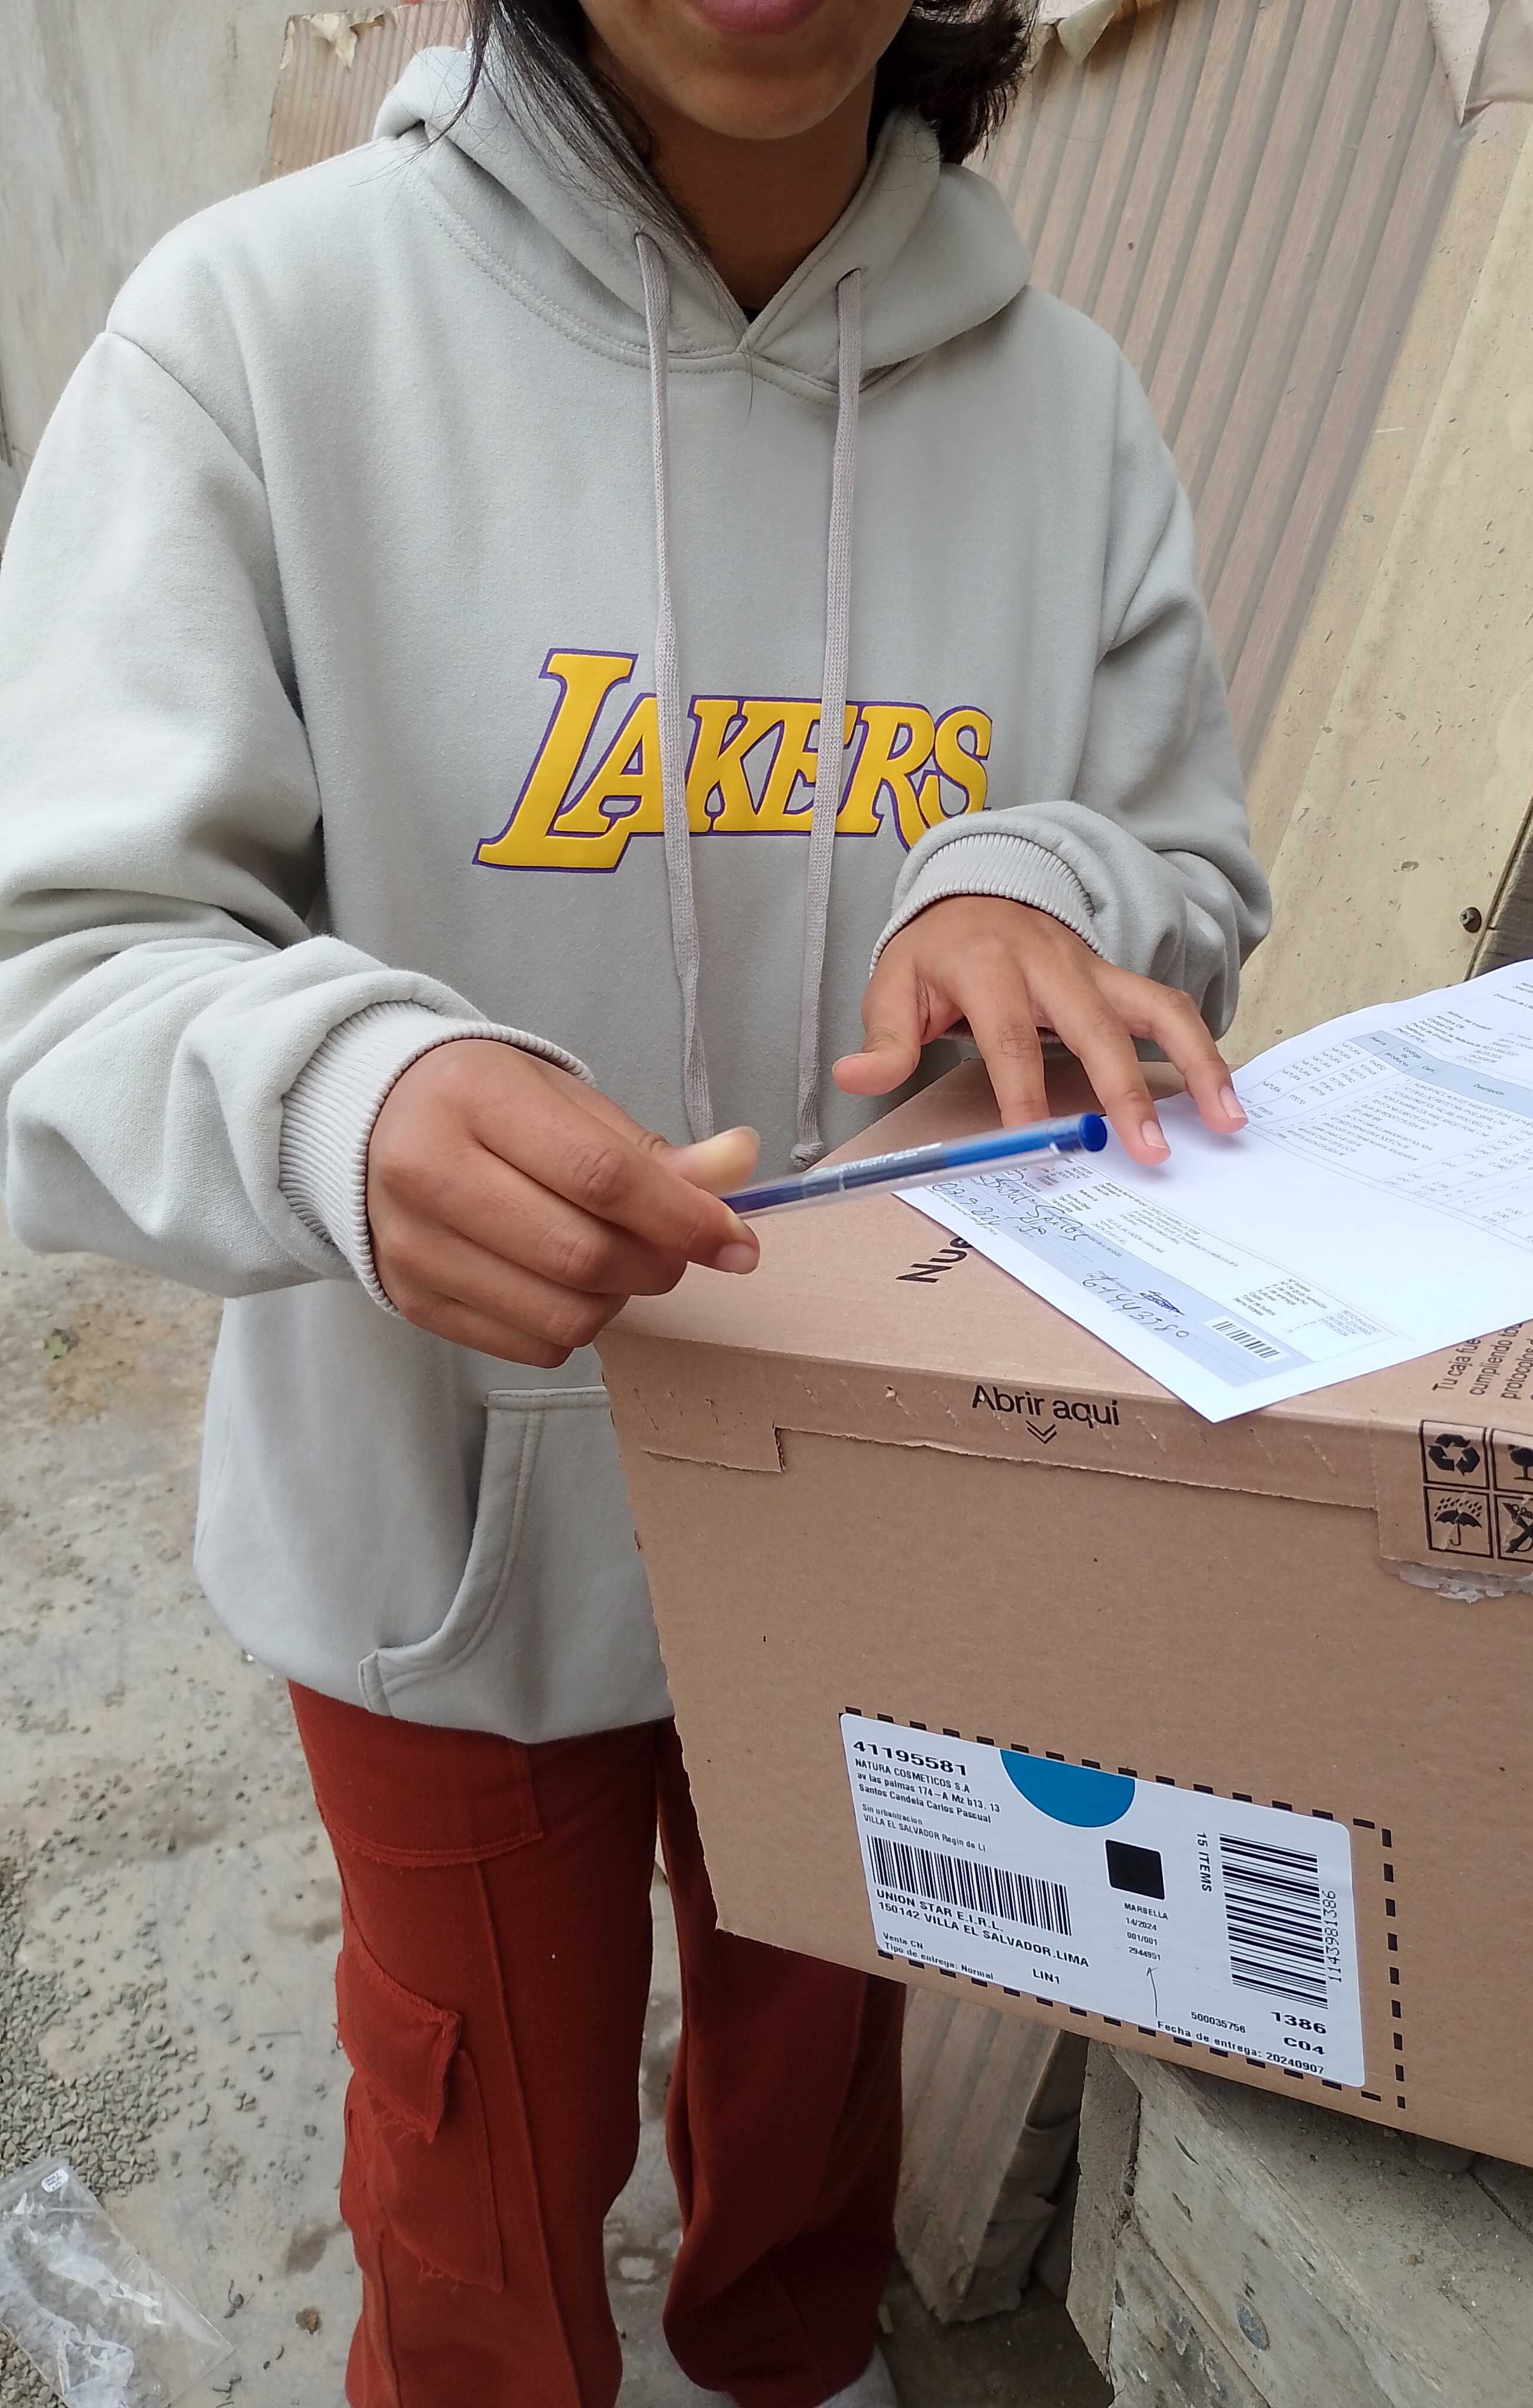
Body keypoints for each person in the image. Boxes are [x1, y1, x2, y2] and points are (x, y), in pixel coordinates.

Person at [0, 0, 1269, 2394]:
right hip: (446, 1546)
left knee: (823, 2066)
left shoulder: (1065, 408)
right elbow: (61, 958)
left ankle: (792, 2359)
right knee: (483, 2137)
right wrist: (339, 1091)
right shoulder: (257, 335)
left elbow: (1187, 878)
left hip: (884, 1516)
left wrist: (1035, 882)